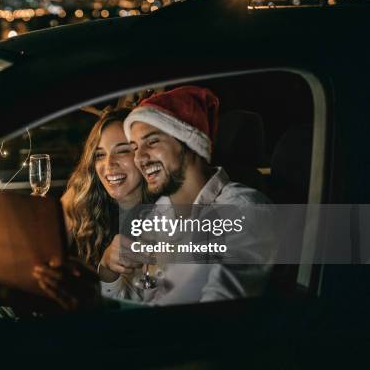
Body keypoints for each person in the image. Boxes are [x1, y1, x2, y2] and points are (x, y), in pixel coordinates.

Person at [98, 85, 273, 304]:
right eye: (134, 148)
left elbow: (224, 320)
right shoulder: (158, 214)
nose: (139, 158)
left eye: (152, 142)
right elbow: (135, 298)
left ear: (190, 142)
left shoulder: (242, 210)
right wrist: (107, 269)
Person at [32, 107, 153, 310]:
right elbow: (39, 262)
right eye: (99, 155)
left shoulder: (167, 214)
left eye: (123, 150)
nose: (108, 164)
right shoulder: (82, 198)